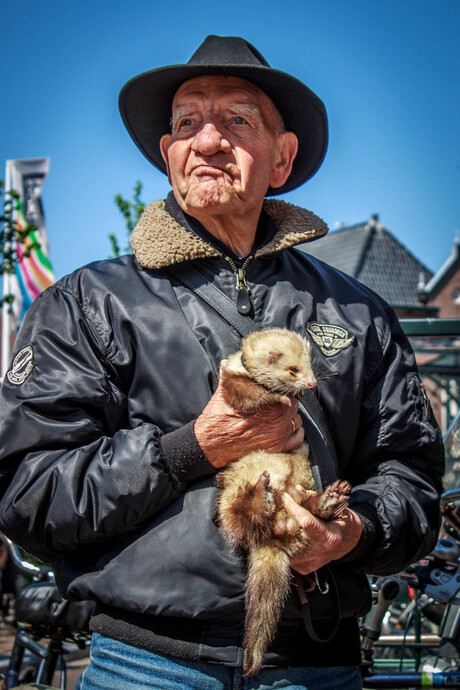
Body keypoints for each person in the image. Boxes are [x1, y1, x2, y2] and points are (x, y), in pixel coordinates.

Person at [0, 35, 444, 690]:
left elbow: (412, 480)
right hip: (144, 665)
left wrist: (353, 532)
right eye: (187, 124)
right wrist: (192, 447)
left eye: (236, 120)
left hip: (318, 664)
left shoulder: (359, 310)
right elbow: (28, 494)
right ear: (169, 154)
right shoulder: (88, 302)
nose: (207, 141)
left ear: (282, 159)